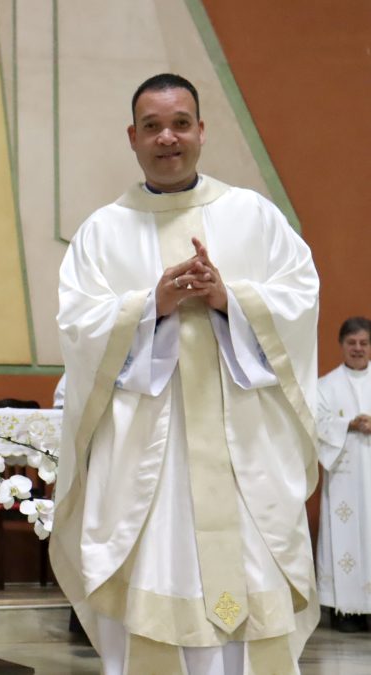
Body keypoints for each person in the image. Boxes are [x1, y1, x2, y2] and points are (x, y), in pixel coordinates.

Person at [52, 73, 320, 674]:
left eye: (179, 124)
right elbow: (78, 327)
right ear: (132, 137)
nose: (167, 138)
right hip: (153, 461)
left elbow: (301, 300)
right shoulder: (102, 232)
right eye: (152, 126)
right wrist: (151, 307)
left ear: (202, 130)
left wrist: (230, 298)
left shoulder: (254, 215)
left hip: (243, 450)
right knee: (157, 578)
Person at [316, 316, 371, 632]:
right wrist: (348, 424)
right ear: (341, 345)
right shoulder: (327, 385)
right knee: (346, 537)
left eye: (363, 342)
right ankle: (345, 610)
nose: (358, 348)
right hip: (345, 477)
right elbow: (317, 425)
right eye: (351, 343)